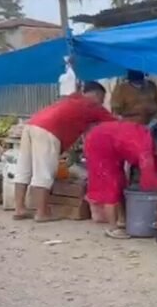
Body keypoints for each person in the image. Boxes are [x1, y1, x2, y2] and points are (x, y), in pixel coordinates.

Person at [14, 81, 114, 222]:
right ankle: (42, 213)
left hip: (31, 125)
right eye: (102, 99)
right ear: (97, 95)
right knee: (44, 173)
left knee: (24, 169)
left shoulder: (73, 98)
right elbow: (116, 124)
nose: (102, 103)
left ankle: (19, 208)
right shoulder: (92, 105)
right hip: (48, 130)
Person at [84, 121, 157, 239]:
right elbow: (149, 179)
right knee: (110, 185)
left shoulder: (150, 140)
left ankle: (123, 221)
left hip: (110, 141)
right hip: (100, 143)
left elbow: (156, 168)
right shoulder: (142, 148)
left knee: (120, 182)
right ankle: (112, 228)